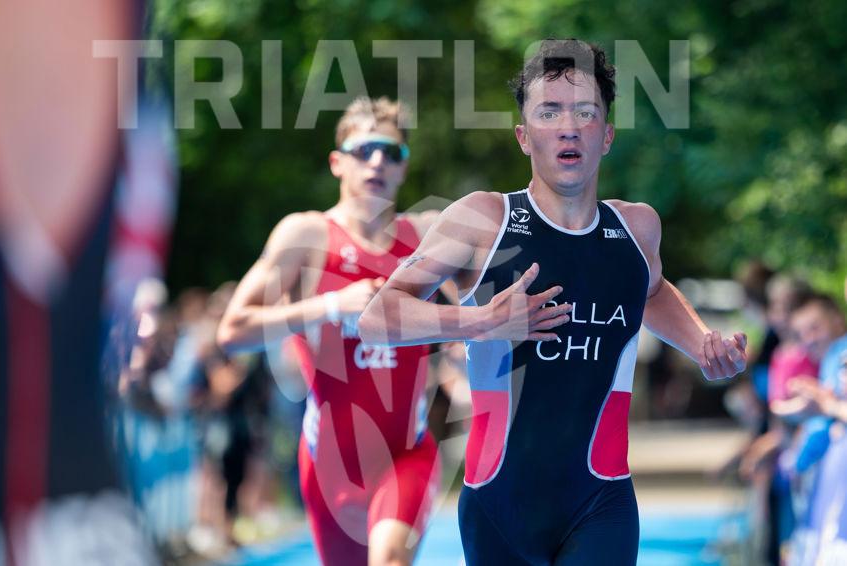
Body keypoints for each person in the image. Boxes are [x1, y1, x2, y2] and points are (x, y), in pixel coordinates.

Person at [358, 38, 747, 565]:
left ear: (606, 135)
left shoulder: (637, 229)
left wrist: (702, 343)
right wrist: (481, 321)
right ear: (524, 137)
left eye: (585, 112)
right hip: (500, 504)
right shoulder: (482, 220)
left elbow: (651, 291)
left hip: (602, 500)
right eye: (549, 112)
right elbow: (376, 317)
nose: (568, 127)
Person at [216, 97, 447, 566]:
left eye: (392, 152)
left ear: (404, 168)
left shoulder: (426, 238)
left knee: (390, 560)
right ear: (338, 162)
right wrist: (330, 306)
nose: (377, 162)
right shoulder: (306, 236)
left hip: (406, 451)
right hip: (331, 465)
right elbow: (232, 330)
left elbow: (482, 309)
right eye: (364, 150)